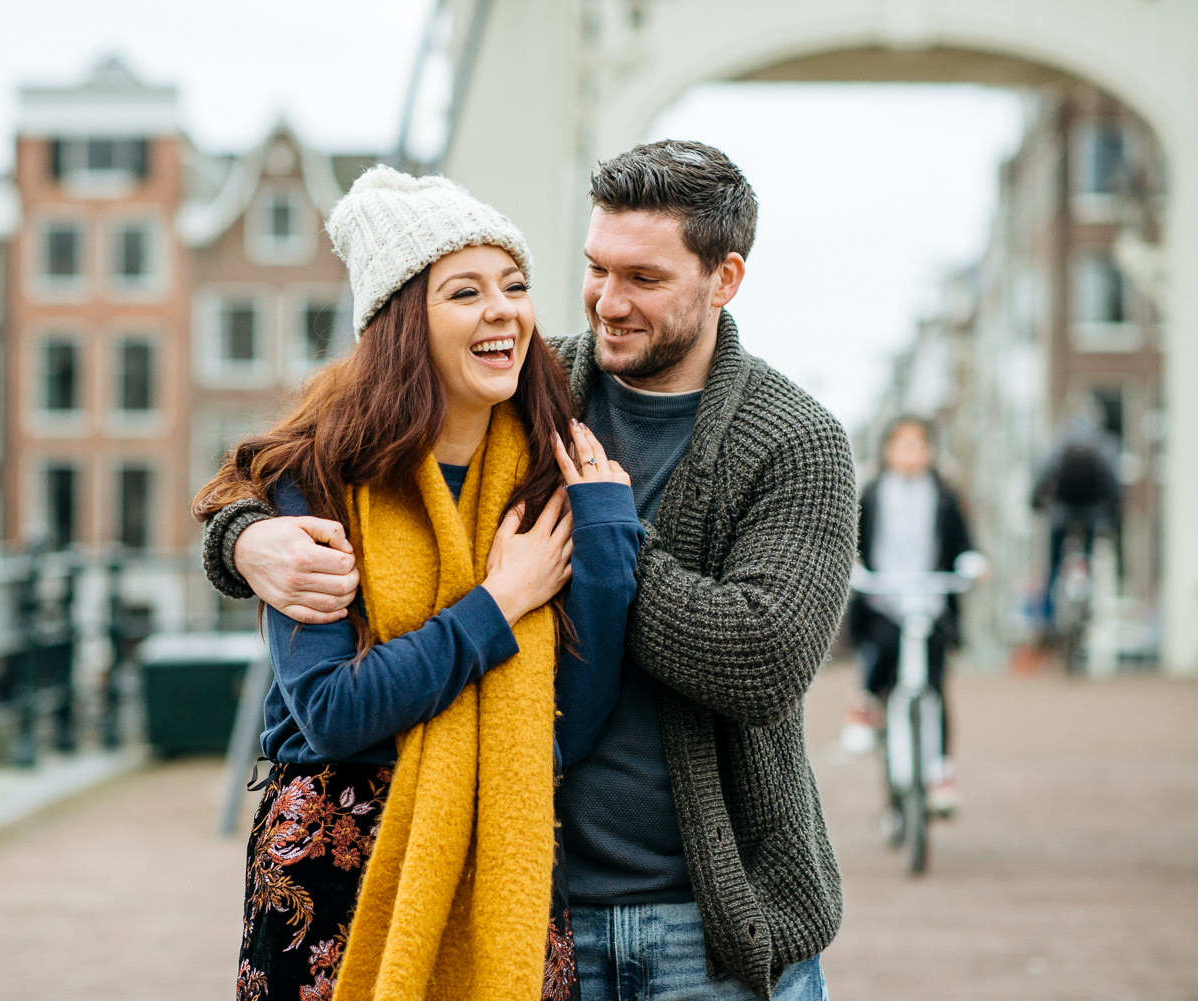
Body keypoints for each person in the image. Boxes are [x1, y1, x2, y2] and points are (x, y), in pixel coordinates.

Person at [203, 141, 857, 1001]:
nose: (609, 302)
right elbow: (337, 439)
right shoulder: (528, 385)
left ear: (724, 279)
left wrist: (607, 541)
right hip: (536, 909)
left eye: (644, 279)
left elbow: (760, 655)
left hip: (708, 928)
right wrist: (243, 539)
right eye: (595, 268)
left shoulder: (794, 440)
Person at [192, 166, 643, 1001]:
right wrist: (499, 602)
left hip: (500, 857)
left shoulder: (543, 479)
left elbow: (565, 731)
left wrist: (607, 535)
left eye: (514, 284)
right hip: (336, 871)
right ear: (403, 321)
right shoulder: (317, 482)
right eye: (464, 292)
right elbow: (332, 711)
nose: (502, 309)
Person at [841, 416, 974, 814]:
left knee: (934, 685)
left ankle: (941, 772)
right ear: (888, 450)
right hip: (885, 599)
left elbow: (963, 544)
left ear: (930, 451)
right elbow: (853, 541)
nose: (911, 452)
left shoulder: (946, 497)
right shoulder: (872, 493)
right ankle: (864, 705)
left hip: (930, 601)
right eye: (902, 444)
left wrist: (970, 564)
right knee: (880, 649)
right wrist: (854, 565)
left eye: (919, 444)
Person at [1031, 410, 1122, 636]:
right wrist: (1112, 514)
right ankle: (1086, 602)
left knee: (1053, 567)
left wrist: (1034, 502)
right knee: (1088, 559)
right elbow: (1113, 485)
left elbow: (1042, 475)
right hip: (1092, 516)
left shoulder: (1059, 443)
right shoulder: (1103, 445)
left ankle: (1048, 618)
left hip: (1060, 515)